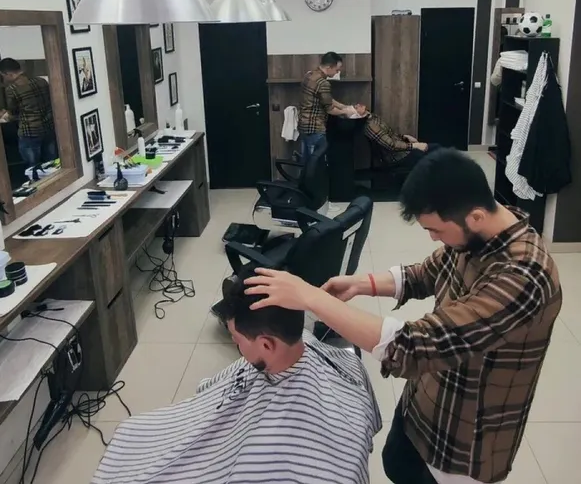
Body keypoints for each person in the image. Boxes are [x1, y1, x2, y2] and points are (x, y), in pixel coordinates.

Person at [245, 149, 562, 484]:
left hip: (463, 444)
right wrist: (361, 284)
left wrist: (311, 298)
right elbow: (425, 273)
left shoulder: (525, 277)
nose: (433, 239)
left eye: (436, 230)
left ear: (476, 217)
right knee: (396, 464)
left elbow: (413, 346)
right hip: (422, 402)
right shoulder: (476, 235)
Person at [93, 268, 381, 484]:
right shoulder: (342, 362)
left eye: (236, 339)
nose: (236, 346)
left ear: (266, 345)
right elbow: (209, 393)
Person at [0, 58, 56, 169]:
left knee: (33, 168)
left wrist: (4, 116)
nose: (3, 79)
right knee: (52, 164)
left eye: (3, 76)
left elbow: (14, 113)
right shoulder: (41, 81)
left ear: (9, 74)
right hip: (48, 127)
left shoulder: (12, 89)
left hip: (30, 132)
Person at [297, 51, 353, 160]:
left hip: (303, 126)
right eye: (337, 70)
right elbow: (330, 109)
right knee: (316, 163)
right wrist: (346, 112)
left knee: (307, 162)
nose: (338, 72)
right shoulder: (323, 83)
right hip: (315, 128)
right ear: (329, 67)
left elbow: (325, 98)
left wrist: (342, 106)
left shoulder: (309, 75)